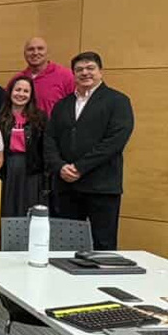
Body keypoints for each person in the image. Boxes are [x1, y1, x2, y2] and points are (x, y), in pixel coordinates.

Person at [45, 52, 134, 250]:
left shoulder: (118, 101)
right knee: (65, 247)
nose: (85, 73)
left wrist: (80, 167)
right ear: (73, 74)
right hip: (66, 187)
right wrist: (60, 167)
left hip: (101, 187)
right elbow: (49, 140)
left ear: (100, 72)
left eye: (90, 68)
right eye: (79, 70)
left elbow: (115, 141)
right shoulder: (62, 105)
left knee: (104, 245)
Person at [0, 76, 47, 217]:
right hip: (5, 168)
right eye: (17, 90)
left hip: (31, 169)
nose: (21, 94)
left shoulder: (39, 117)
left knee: (28, 208)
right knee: (6, 207)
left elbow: (45, 148)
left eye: (26, 91)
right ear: (10, 91)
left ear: (31, 96)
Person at [12, 37, 75, 116]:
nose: (35, 53)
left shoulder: (66, 76)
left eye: (40, 49)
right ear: (24, 54)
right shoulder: (18, 79)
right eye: (30, 49)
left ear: (47, 53)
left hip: (55, 127)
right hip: (25, 127)